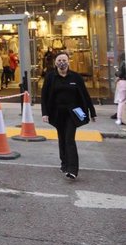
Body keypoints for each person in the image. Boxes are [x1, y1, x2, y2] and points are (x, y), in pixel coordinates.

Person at [41, 52, 96, 180]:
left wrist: (92, 112)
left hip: (73, 113)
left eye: (64, 60)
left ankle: (73, 169)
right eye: (59, 60)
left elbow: (85, 95)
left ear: (68, 62)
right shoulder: (50, 77)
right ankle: (64, 164)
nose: (62, 62)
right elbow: (44, 97)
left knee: (69, 139)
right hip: (57, 113)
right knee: (62, 138)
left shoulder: (76, 77)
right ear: (55, 62)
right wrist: (45, 113)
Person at [114, 53, 126, 126]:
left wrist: (116, 71)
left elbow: (120, 74)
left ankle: (120, 118)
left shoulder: (123, 63)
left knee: (121, 100)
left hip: (123, 82)